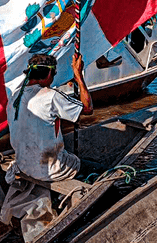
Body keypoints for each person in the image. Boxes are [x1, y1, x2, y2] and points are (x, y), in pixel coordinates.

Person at [7, 53, 93, 182]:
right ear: (49, 74)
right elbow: (88, 108)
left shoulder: (15, 96)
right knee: (97, 168)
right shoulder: (51, 96)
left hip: (23, 166)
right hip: (52, 170)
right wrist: (78, 76)